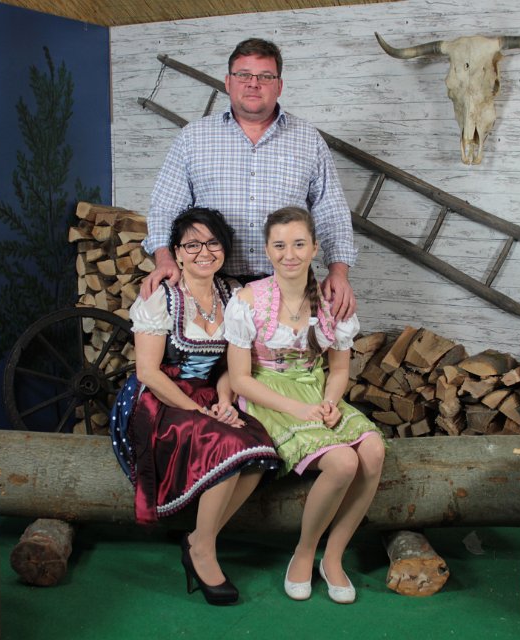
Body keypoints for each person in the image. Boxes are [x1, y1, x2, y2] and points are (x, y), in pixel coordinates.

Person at [109, 207, 281, 606]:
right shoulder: (162, 298)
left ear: (224, 248)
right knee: (226, 444)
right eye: (192, 245)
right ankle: (204, 552)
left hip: (209, 394)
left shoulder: (232, 295)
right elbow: (148, 372)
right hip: (158, 399)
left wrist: (224, 401)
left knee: (259, 449)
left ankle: (200, 539)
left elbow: (230, 365)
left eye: (213, 242)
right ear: (177, 253)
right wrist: (197, 409)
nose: (204, 252)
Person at [224, 206, 385, 604]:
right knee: (342, 462)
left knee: (374, 450)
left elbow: (339, 369)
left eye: (299, 244)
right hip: (268, 395)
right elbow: (241, 379)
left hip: (316, 390)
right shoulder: (248, 300)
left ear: (315, 248)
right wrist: (296, 409)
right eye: (279, 246)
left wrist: (330, 402)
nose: (289, 254)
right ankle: (304, 551)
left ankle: (334, 557)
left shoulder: (331, 303)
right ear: (267, 250)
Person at [141, 38, 358, 321]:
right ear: (228, 82)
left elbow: (332, 212)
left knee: (290, 352)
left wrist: (339, 272)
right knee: (214, 353)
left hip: (288, 287)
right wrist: (164, 258)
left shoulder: (308, 139)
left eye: (265, 76)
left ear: (279, 86)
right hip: (209, 285)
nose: (253, 84)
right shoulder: (193, 138)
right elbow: (165, 208)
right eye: (244, 75)